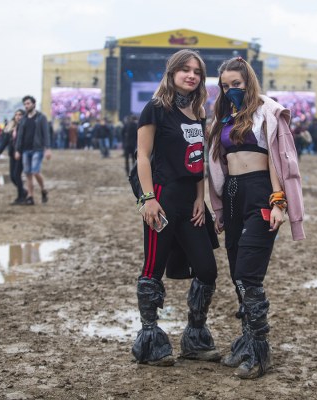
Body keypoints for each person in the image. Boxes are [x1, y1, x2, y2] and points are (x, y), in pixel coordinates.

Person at [207, 57, 305, 379]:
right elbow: (218, 166)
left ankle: (261, 351)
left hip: (261, 191)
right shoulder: (223, 117)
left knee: (249, 272)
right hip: (233, 194)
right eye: (225, 85)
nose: (230, 89)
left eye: (236, 84)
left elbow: (277, 160)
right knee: (236, 270)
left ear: (248, 82)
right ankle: (247, 339)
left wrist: (279, 202)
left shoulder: (266, 112)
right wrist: (219, 207)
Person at [133, 49, 220, 367]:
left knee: (207, 270)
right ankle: (150, 340)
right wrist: (147, 199)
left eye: (197, 71)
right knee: (153, 270)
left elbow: (198, 159)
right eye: (185, 69)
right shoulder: (155, 108)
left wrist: (201, 198)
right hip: (161, 199)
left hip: (190, 202)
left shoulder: (199, 112)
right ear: (171, 73)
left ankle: (195, 339)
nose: (191, 75)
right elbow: (142, 156)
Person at [14, 95, 51, 206]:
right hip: (25, 149)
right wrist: (17, 150)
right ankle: (30, 196)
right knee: (28, 174)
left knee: (35, 171)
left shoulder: (41, 118)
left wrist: (47, 148)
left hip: (37, 149)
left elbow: (46, 134)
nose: (26, 106)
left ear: (34, 104)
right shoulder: (24, 119)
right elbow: (20, 135)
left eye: (28, 103)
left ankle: (43, 189)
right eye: (25, 104)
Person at [0, 109, 28, 204]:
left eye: (20, 115)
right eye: (16, 115)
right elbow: (4, 142)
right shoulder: (10, 128)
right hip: (12, 154)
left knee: (17, 175)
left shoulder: (25, 127)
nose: (18, 116)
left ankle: (20, 197)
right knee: (12, 177)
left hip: (20, 154)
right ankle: (23, 192)